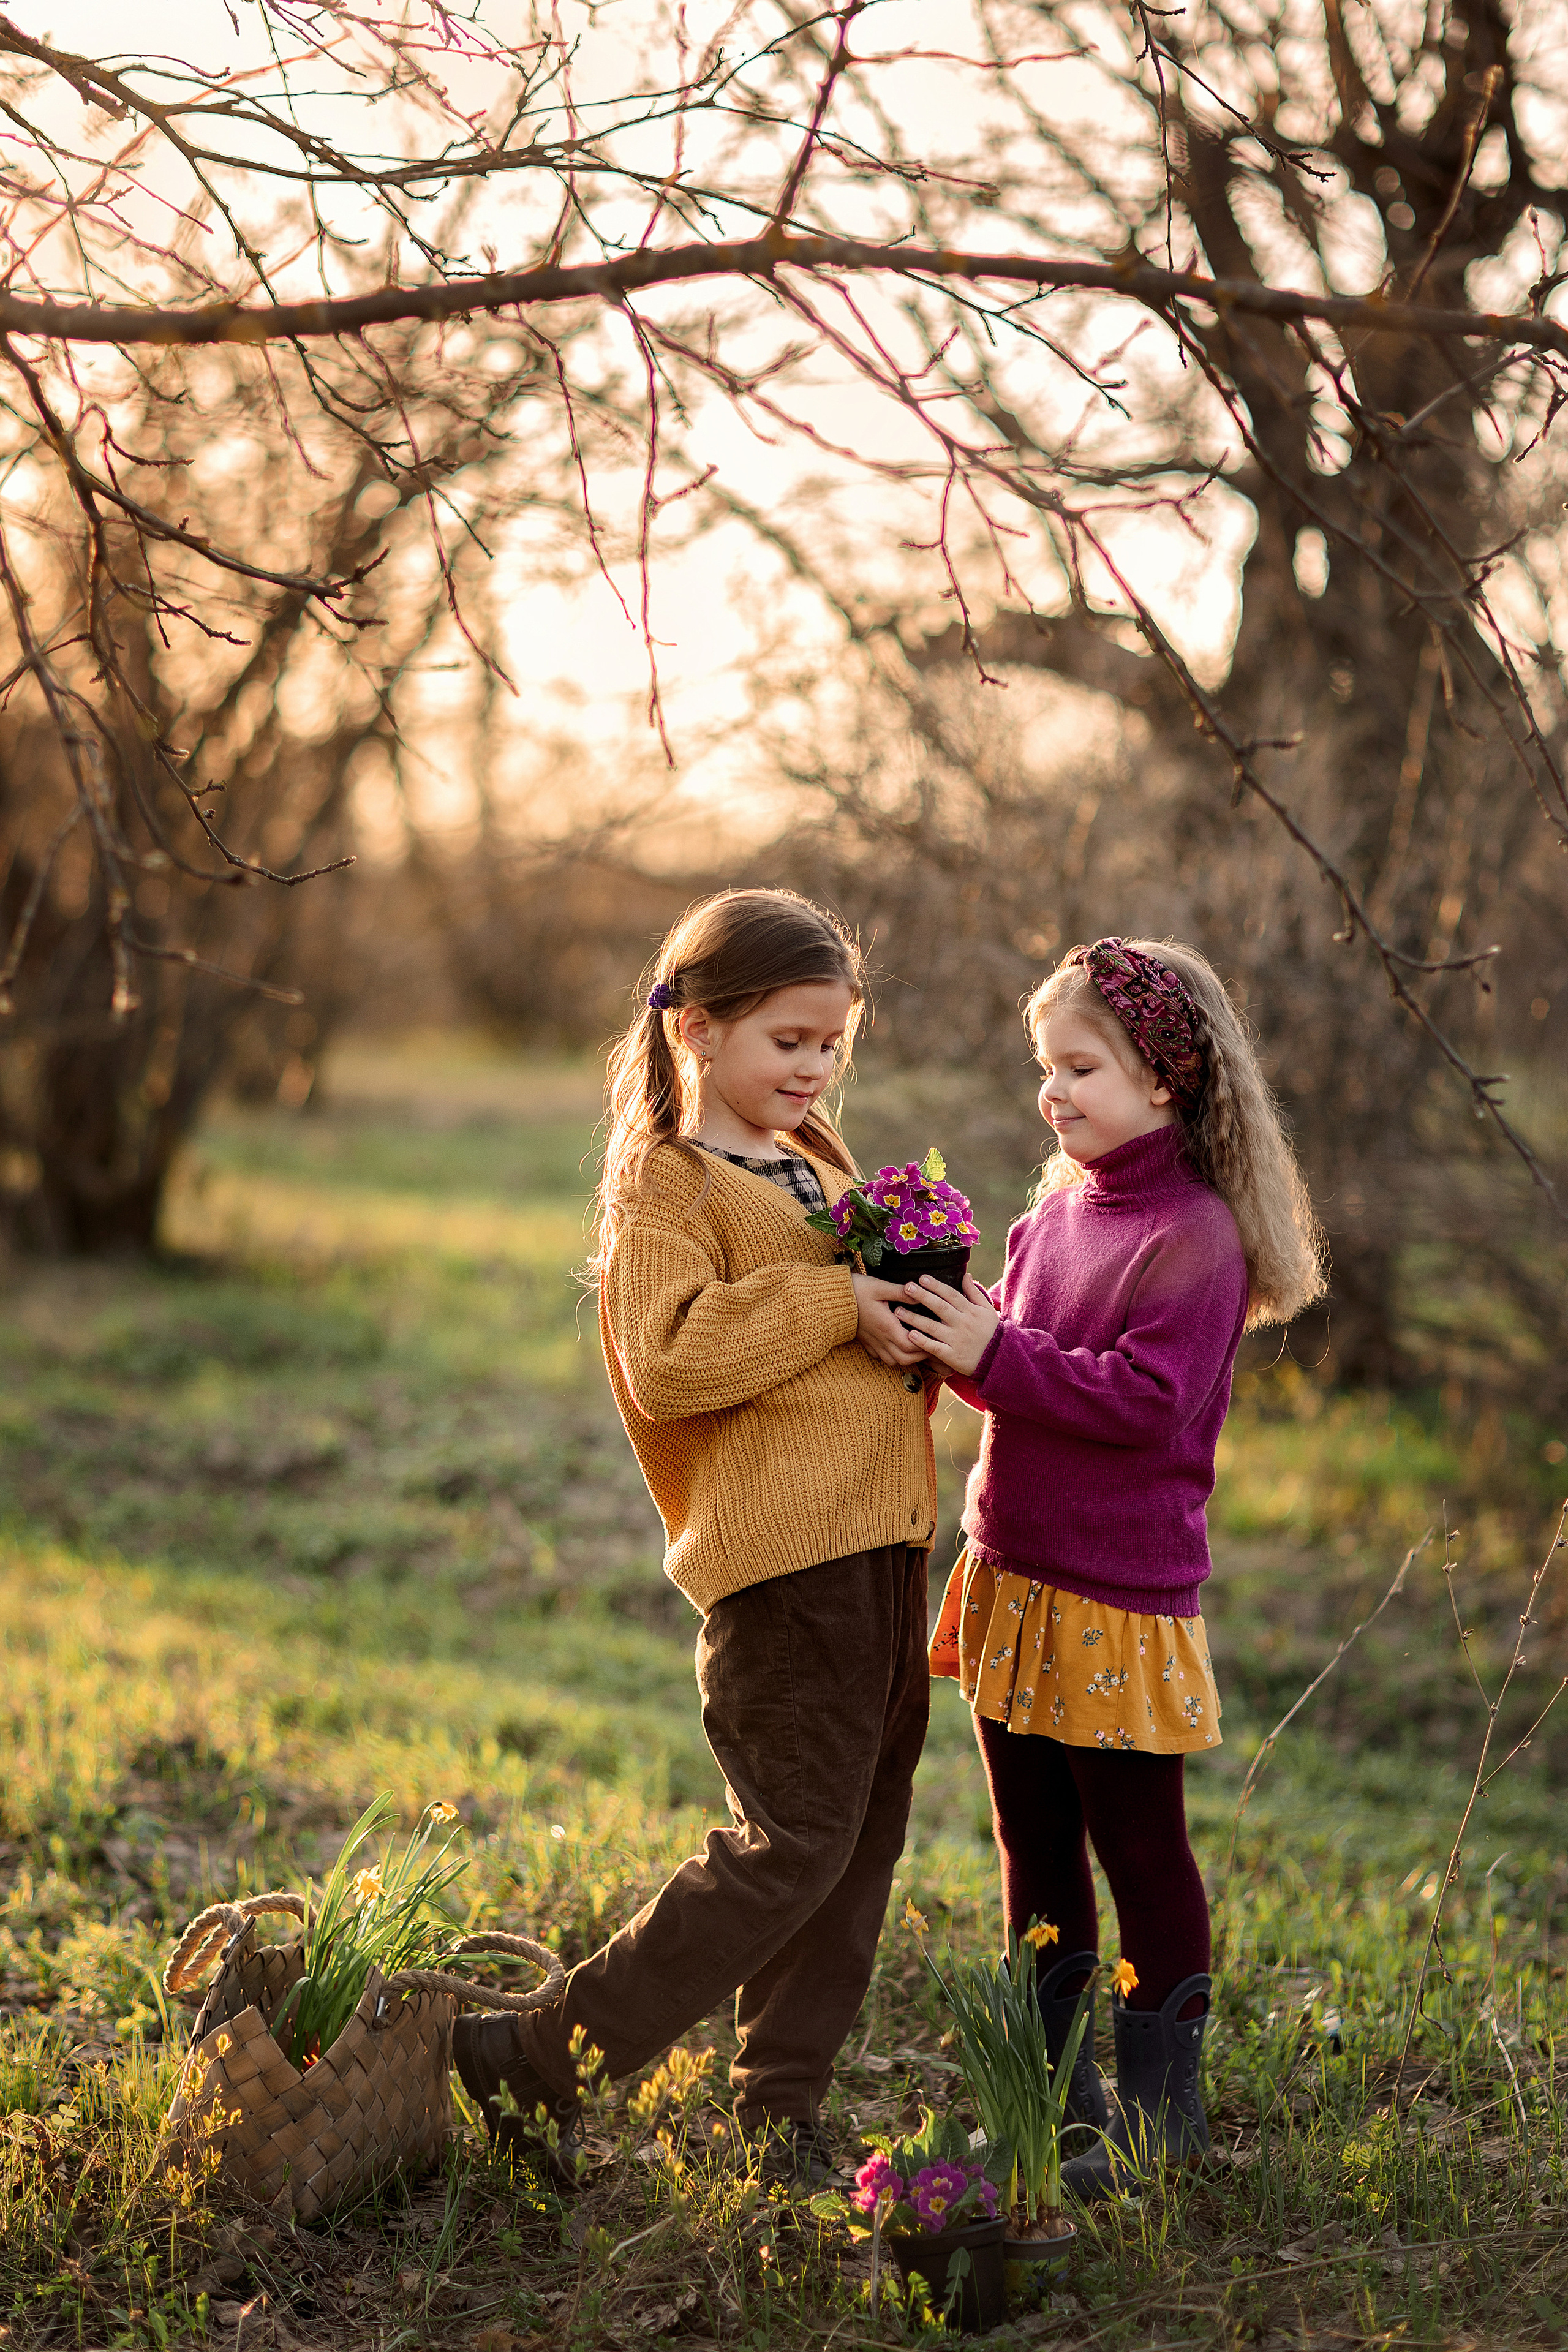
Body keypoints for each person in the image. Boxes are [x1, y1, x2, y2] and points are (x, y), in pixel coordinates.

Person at [454, 888, 938, 2185]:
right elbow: (669, 1359)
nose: (815, 1066)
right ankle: (539, 2058)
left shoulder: (816, 1160)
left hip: (885, 1550)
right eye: (788, 1040)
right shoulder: (669, 1185)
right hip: (787, 1569)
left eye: (833, 1043)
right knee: (789, 1843)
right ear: (698, 1035)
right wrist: (837, 1297)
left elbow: (842, 1335)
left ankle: (780, 2100)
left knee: (853, 1844)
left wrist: (911, 1313)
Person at [914, 937, 1324, 2195]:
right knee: (1029, 1850)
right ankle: (1054, 2103)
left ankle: (1162, 2105)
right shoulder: (1049, 1218)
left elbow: (1142, 1402)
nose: (1053, 1092)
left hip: (1112, 1599)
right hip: (1013, 1574)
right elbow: (1019, 1368)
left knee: (1139, 1853)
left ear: (1163, 1076)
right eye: (1045, 1067)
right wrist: (930, 1322)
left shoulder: (1195, 1237)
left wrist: (991, 1351)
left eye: (1079, 1067)